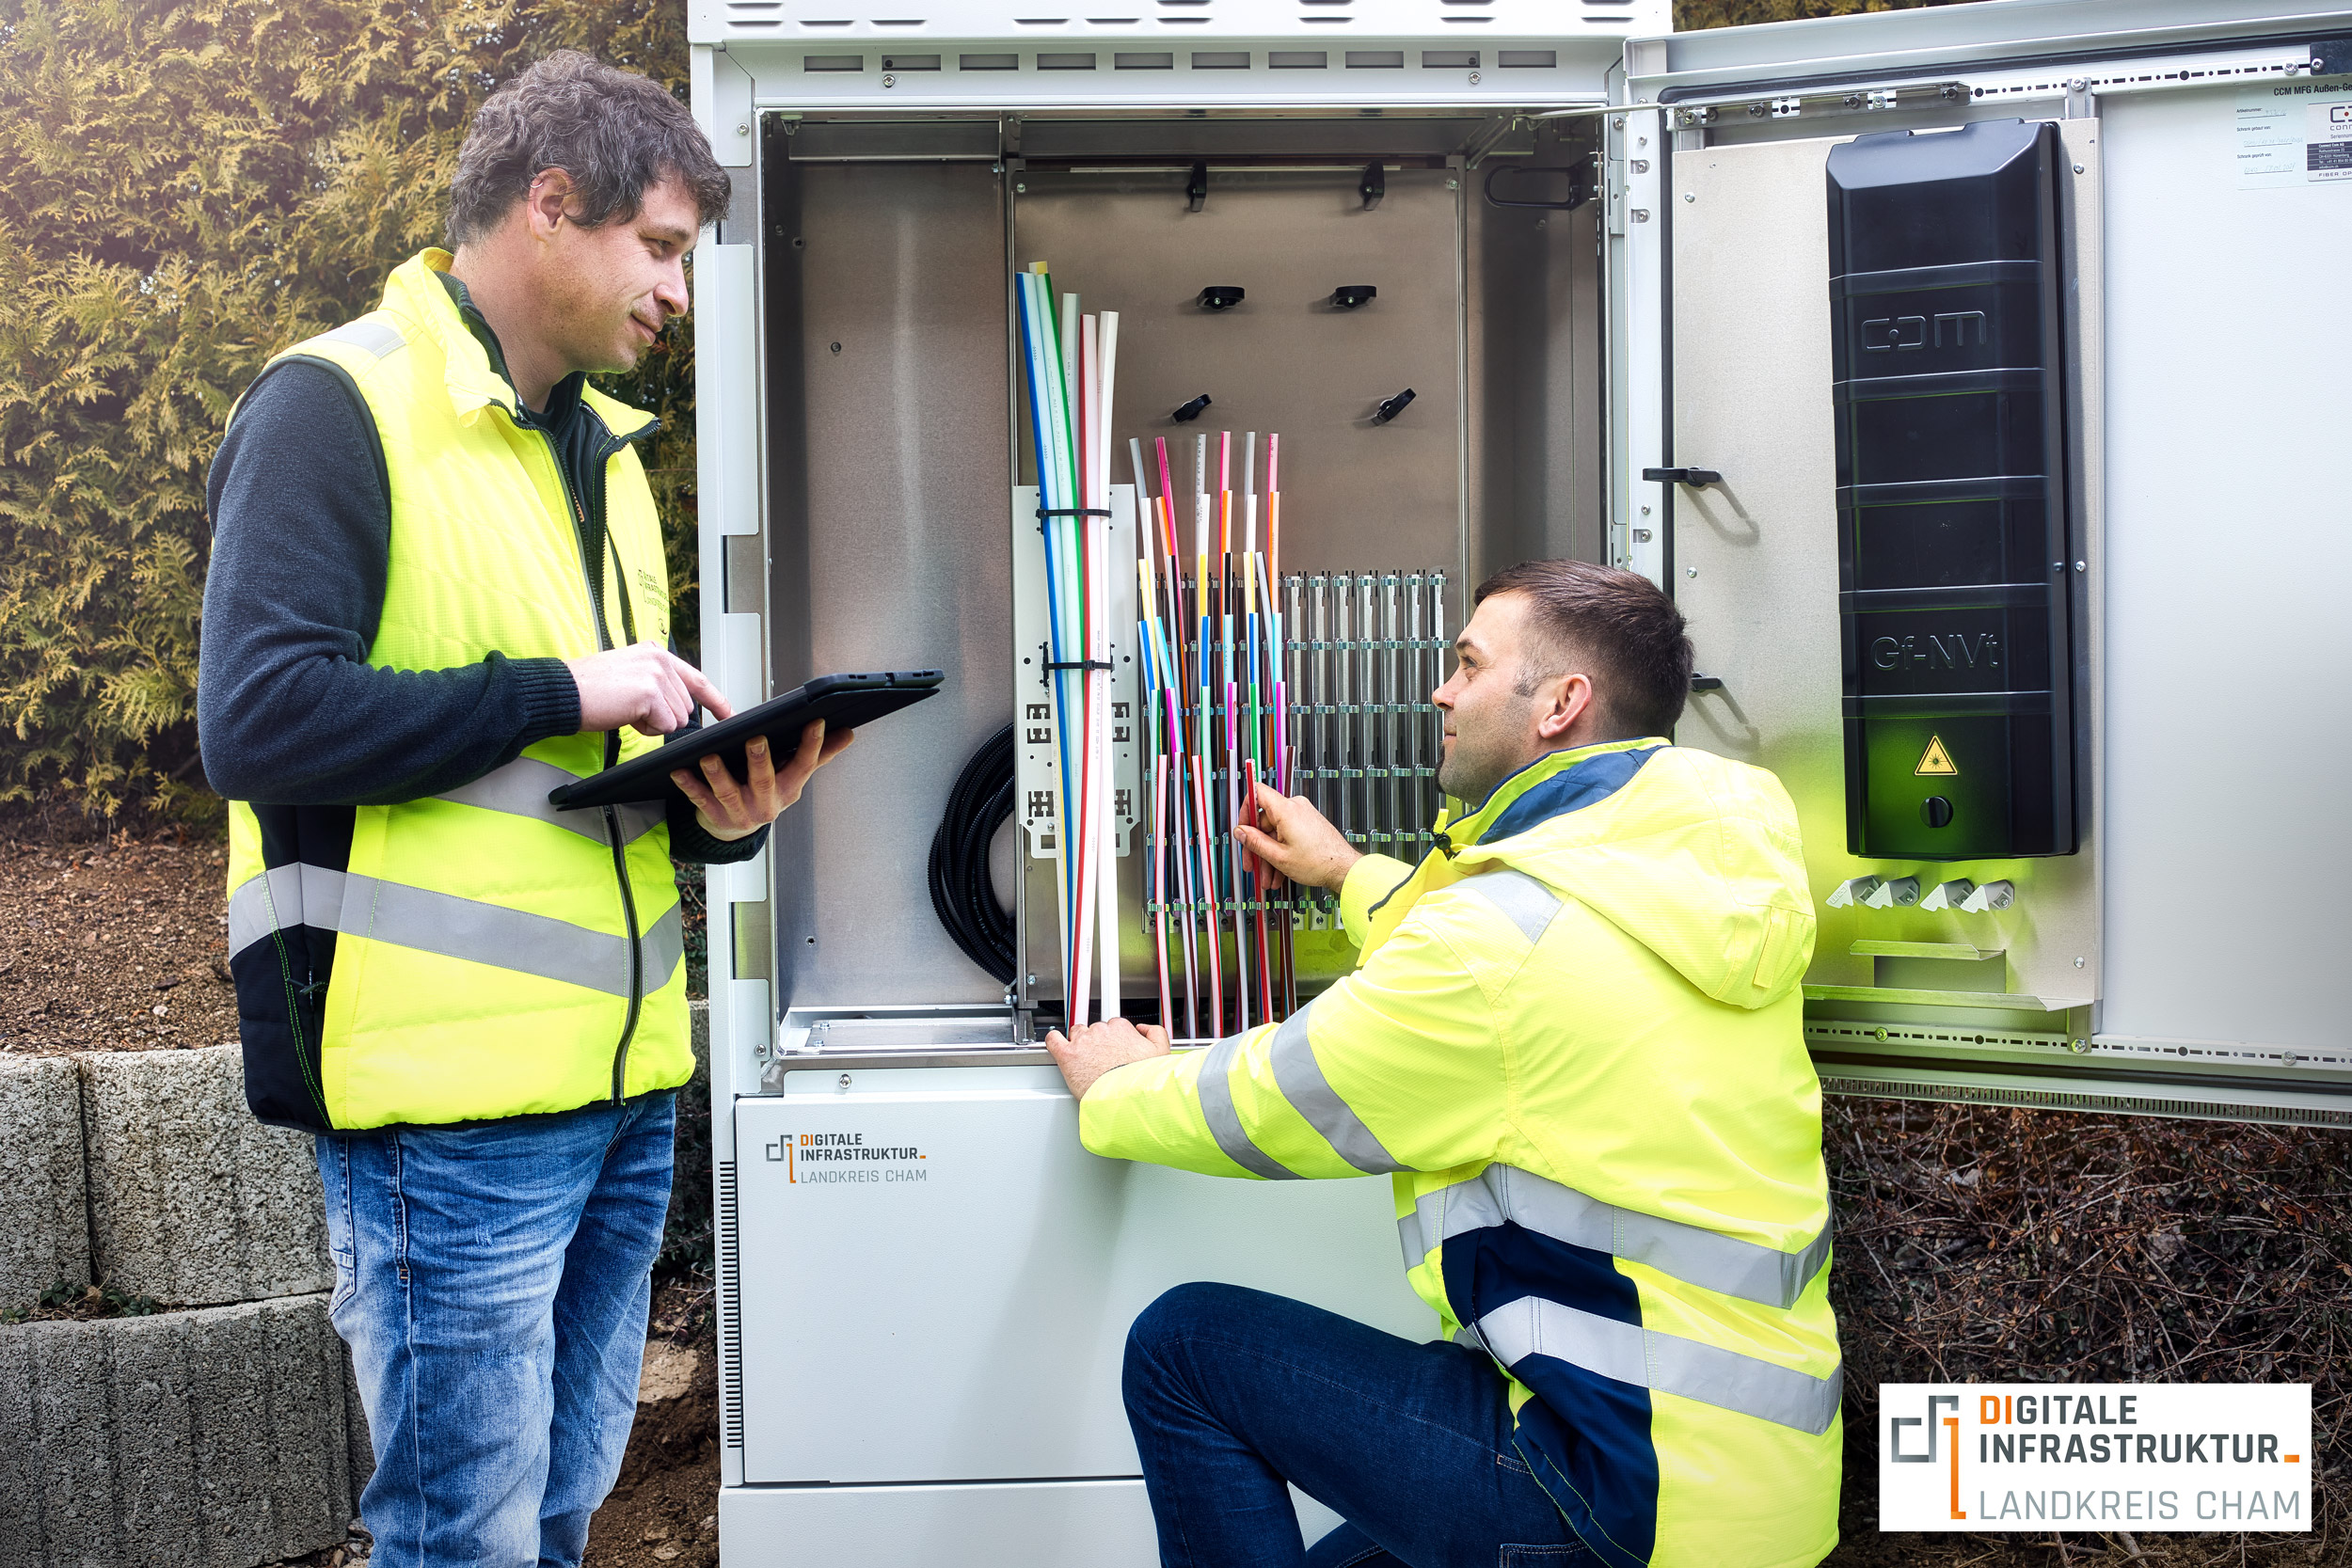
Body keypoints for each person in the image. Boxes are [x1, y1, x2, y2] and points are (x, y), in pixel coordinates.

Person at [197, 52, 845, 1568]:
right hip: (449, 1114)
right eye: (664, 250)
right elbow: (260, 720)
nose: (679, 296)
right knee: (461, 1538)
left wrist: (726, 807)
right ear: (551, 205)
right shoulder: (331, 403)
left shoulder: (608, 460)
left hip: (621, 1090)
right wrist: (563, 684)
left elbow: (565, 786)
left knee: (554, 1519)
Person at [1044, 560, 1841, 1568]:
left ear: (1560, 703)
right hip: (1756, 1499)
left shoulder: (1493, 945)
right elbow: (1517, 953)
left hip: (1607, 1491)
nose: (1440, 689)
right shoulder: (1689, 868)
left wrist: (1118, 1088)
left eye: (1467, 663)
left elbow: (1280, 1097)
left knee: (1186, 1347)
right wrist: (1344, 872)